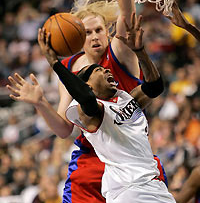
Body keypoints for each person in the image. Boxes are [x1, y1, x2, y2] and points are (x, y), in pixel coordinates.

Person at [7, 12, 176, 203]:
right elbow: (85, 100)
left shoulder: (126, 98)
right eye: (99, 71)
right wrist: (55, 63)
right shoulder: (93, 113)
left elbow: (155, 87)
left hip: (152, 184)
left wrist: (140, 51)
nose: (105, 70)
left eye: (104, 69)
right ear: (88, 86)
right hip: (129, 189)